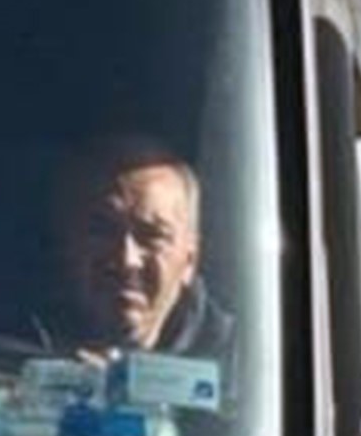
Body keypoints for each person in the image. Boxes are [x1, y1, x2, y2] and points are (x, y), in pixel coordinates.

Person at [46, 135, 235, 368]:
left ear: (189, 260)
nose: (127, 259)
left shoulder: (250, 373)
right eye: (103, 231)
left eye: (152, 236)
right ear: (68, 243)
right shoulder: (5, 344)